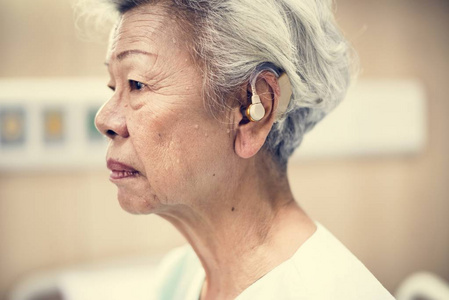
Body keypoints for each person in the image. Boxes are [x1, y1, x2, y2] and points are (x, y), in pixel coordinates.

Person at [94, 0, 395, 299]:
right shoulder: (178, 277)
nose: (104, 119)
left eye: (136, 84)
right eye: (113, 88)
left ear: (250, 112)